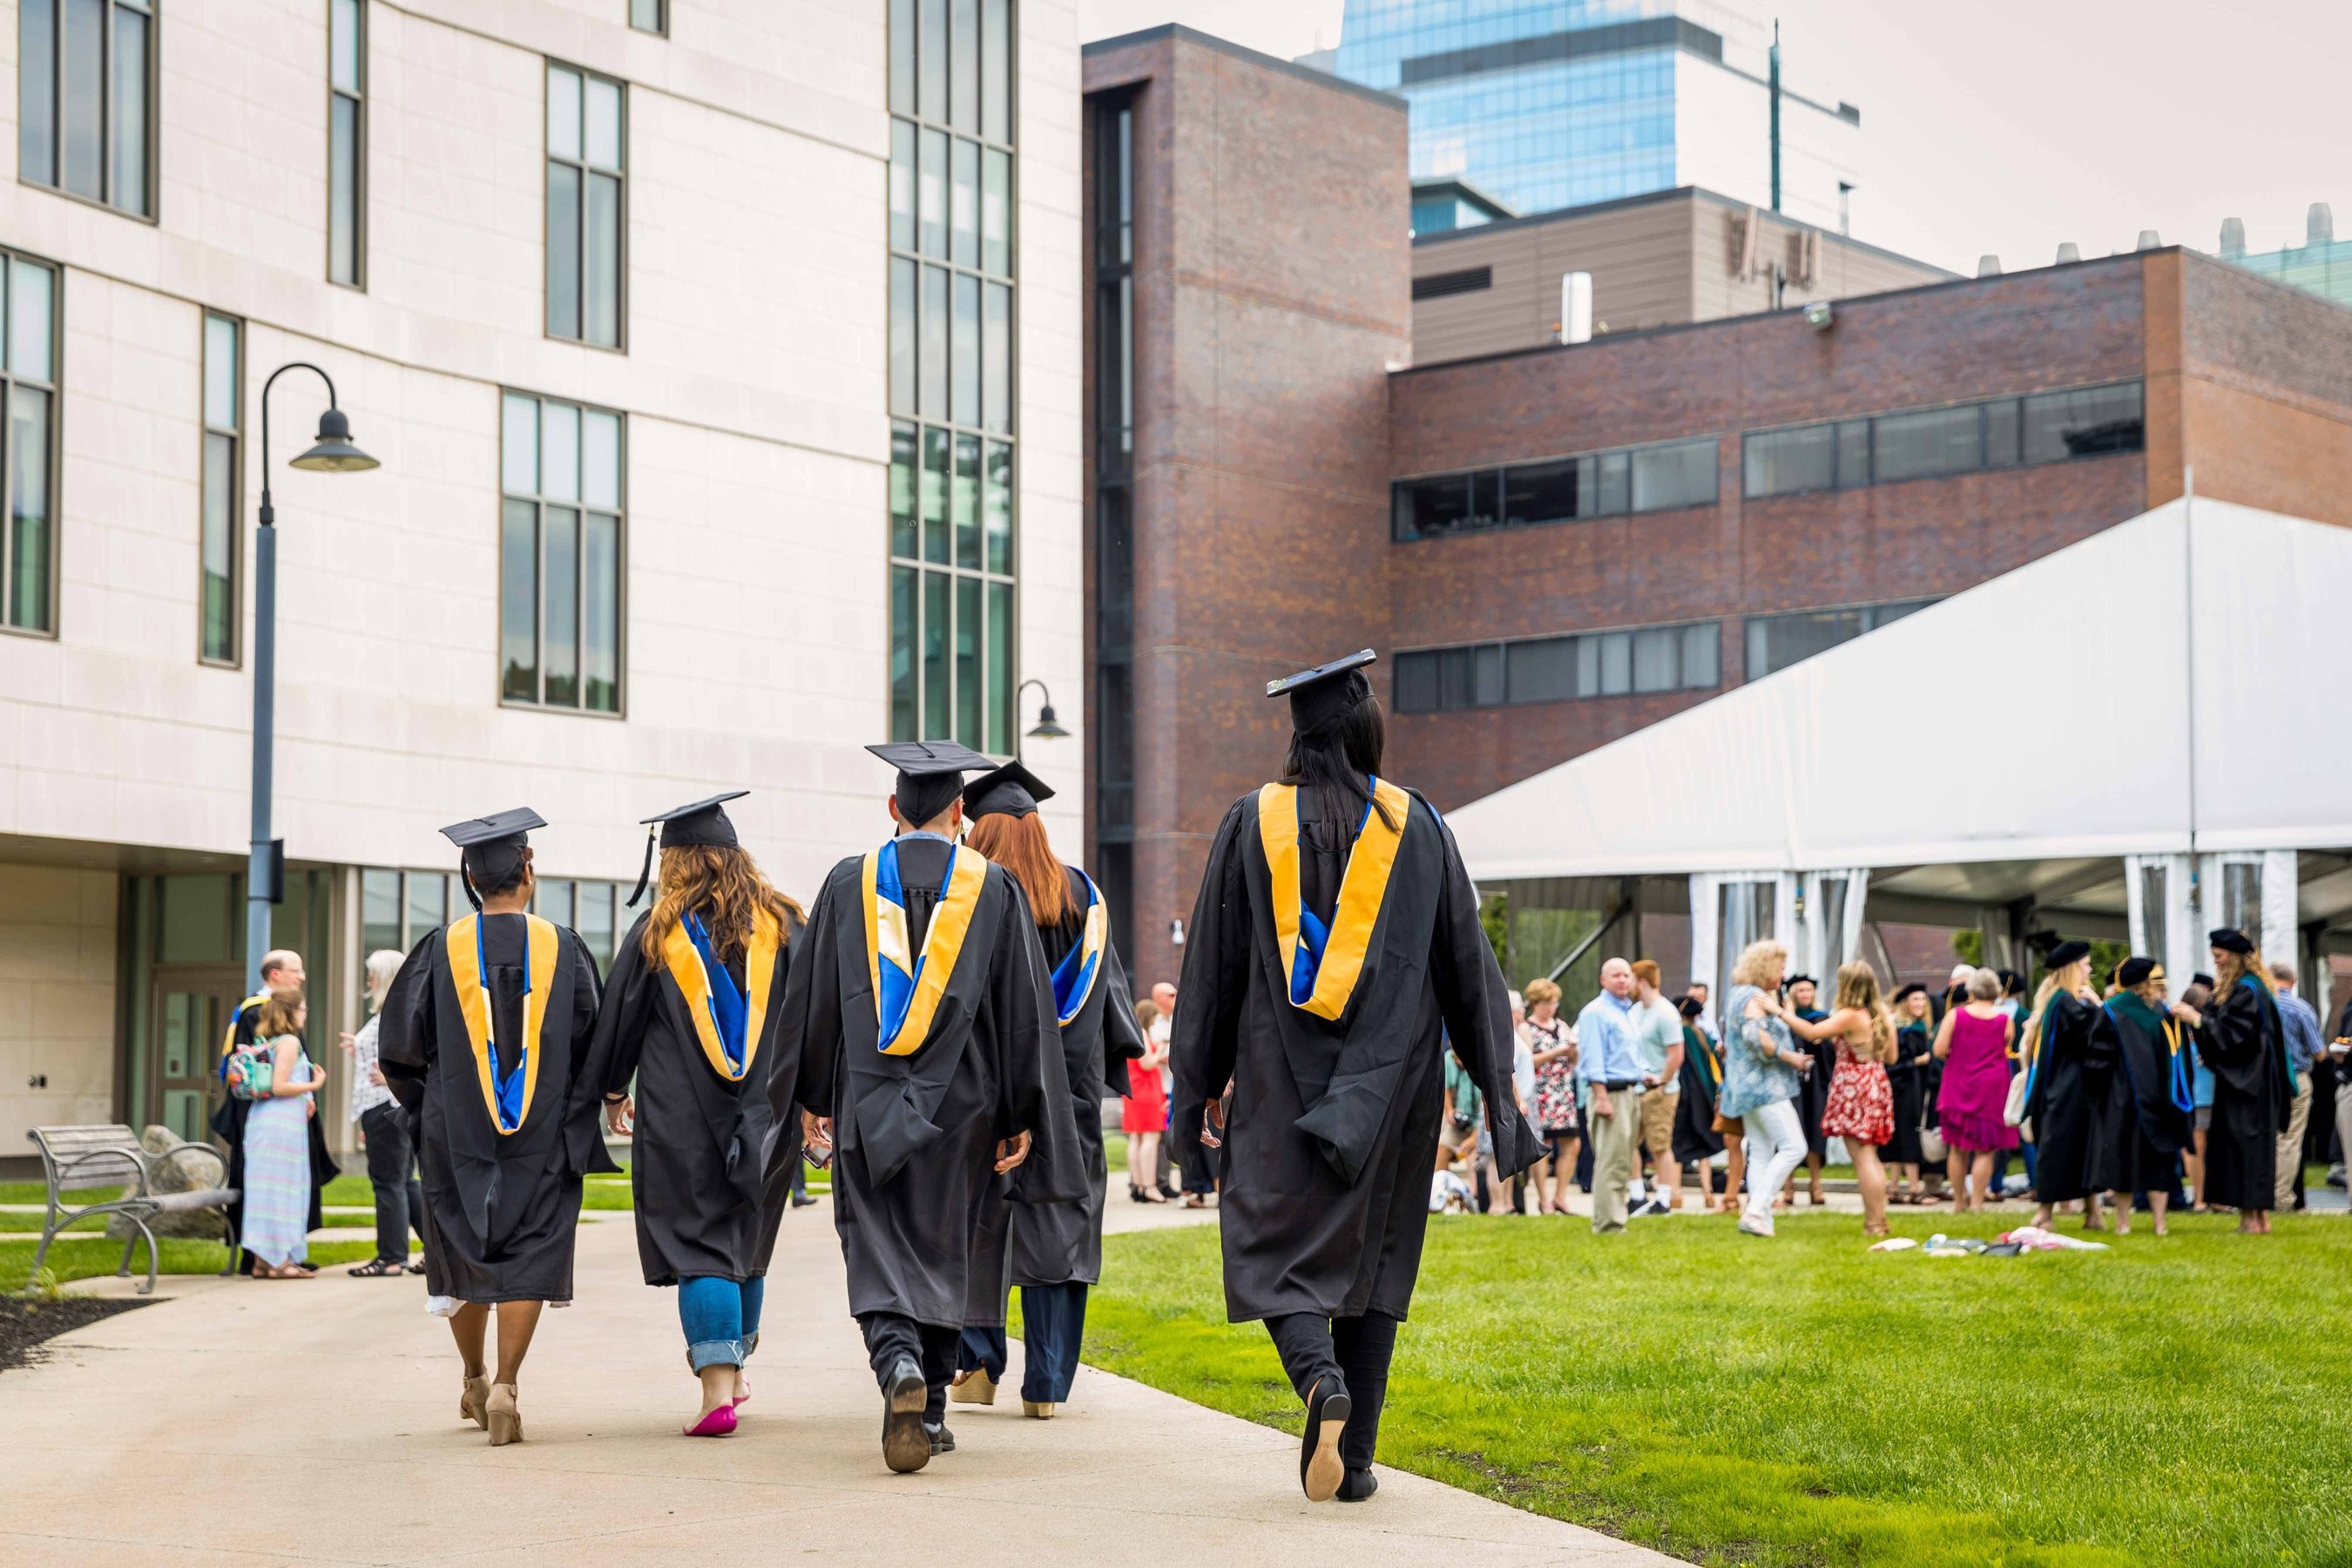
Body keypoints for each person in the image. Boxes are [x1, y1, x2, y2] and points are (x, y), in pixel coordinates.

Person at [1171, 650, 1537, 1504]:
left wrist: (1198, 1094)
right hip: (1396, 1090)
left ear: (1298, 736)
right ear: (1369, 726)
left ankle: (1316, 1381)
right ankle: (1357, 1459)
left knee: (1268, 1246)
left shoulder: (1250, 822)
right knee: (1373, 1261)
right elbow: (1466, 966)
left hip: (1276, 1083)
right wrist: (1498, 1088)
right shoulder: (1421, 826)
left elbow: (1212, 978)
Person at [784, 740, 1081, 1474]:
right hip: (967, 1107)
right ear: (958, 811)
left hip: (868, 1095)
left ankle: (898, 1370)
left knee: (876, 1238)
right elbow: (1021, 1013)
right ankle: (936, 1409)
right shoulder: (997, 889)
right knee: (955, 1245)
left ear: (893, 809)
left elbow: (816, 1001)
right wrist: (1021, 1112)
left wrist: (811, 1097)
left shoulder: (847, 883)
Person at [377, 808, 611, 1448]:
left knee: (463, 1250)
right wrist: (578, 1109)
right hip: (544, 1134)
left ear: (473, 881)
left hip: (456, 1135)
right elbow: (596, 1043)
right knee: (531, 1251)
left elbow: (398, 1048)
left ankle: (474, 1376)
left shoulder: (436, 950)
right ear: (527, 872)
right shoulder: (564, 947)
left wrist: (429, 1110)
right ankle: (508, 1383)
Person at [589, 793, 803, 1438]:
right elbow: (816, 1016)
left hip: (682, 1119)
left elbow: (618, 1022)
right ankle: (734, 1374)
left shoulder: (657, 932)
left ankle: (716, 1390)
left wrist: (610, 1091)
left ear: (675, 862)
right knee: (749, 1242)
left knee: (701, 1246)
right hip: (769, 1110)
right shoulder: (787, 923)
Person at [951, 760, 1146, 1420]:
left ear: (981, 832)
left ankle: (976, 1361)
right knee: (1059, 1225)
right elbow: (1115, 1008)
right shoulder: (1086, 899)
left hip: (988, 1090)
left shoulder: (973, 894)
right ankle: (1048, 1385)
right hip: (1071, 1099)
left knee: (983, 1219)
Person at [212, 948, 325, 1275]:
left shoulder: (266, 1016)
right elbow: (272, 1080)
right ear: (275, 975)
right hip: (268, 1114)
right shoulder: (256, 1012)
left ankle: (269, 1256)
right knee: (272, 1187)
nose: (302, 977)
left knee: (266, 1187)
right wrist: (310, 1088)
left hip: (271, 1114)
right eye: (296, 970)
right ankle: (266, 1257)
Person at [2173, 929, 2291, 1233]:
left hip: (2248, 1086)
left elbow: (2233, 1037)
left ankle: (2251, 1221)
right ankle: (2259, 1219)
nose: (2217, 963)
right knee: (2255, 1149)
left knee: (2245, 1149)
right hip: (2256, 1084)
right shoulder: (2254, 988)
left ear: (2237, 957)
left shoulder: (2246, 991)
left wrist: (2196, 1019)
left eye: (2220, 957)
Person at [1785, 962, 1897, 1236]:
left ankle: (1873, 1224)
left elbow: (1812, 1033)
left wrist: (1782, 1011)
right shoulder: (1882, 1015)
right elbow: (1892, 1057)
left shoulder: (1851, 1015)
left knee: (1863, 1159)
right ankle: (1879, 1220)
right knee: (1871, 1157)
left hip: (1855, 1088)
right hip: (1876, 1083)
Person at [1716, 941, 1813, 1239]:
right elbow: (1758, 1040)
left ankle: (1761, 1221)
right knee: (1795, 1147)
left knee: (1760, 1151)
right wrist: (1793, 1057)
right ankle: (1756, 1211)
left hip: (1744, 1088)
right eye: (1781, 968)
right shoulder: (1754, 997)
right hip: (1765, 1088)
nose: (1784, 975)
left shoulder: (1735, 994)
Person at [2091, 957, 2193, 1235]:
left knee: (2122, 1157)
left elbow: (2096, 1060)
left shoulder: (2110, 1011)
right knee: (2158, 1159)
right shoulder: (2163, 1013)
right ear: (2148, 982)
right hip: (2160, 1099)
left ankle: (2123, 1223)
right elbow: (2179, 1060)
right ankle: (2160, 1223)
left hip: (2120, 1100)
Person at [341, 949, 425, 1278]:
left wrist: (391, 1077)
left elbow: (411, 1056)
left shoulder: (394, 1012)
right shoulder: (394, 1012)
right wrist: (358, 1047)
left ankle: (391, 1258)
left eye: (372, 974)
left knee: (388, 1182)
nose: (367, 980)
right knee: (403, 1181)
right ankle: (435, 1249)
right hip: (385, 1106)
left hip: (386, 1106)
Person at [2021, 941, 2109, 1231]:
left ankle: (2091, 1211)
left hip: (2069, 1088)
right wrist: (2098, 1005)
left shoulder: (2059, 1000)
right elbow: (2093, 1034)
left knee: (2080, 1147)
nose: (2090, 969)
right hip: (2067, 1089)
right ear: (2073, 968)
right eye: (2086, 964)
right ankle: (2046, 1214)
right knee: (2059, 1149)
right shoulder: (2066, 1002)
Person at [240, 991, 327, 1279]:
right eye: (302, 1009)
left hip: (265, 1121)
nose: (305, 1014)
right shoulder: (289, 1043)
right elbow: (279, 1086)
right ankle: (281, 1262)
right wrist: (314, 1084)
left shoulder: (268, 1042)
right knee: (284, 1188)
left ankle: (263, 1262)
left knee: (264, 1189)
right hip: (281, 1126)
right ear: (290, 1012)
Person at [1933, 967, 2018, 1210]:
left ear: (1971, 990)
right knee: (1985, 1150)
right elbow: (2006, 1045)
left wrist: (1957, 1056)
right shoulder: (2005, 1019)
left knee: (1957, 1148)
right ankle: (1978, 1202)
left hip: (1959, 1082)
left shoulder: (1956, 1016)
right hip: (1991, 1086)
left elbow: (1939, 1050)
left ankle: (1959, 1202)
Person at [1576, 958, 1646, 1233]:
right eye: (1615, 975)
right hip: (1610, 1094)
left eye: (1626, 975)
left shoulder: (1627, 1011)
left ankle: (1615, 1217)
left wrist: (1644, 1074)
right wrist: (1601, 1096)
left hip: (1630, 1091)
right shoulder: (1596, 1012)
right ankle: (1608, 1223)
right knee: (1610, 1160)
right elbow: (1592, 1058)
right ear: (1603, 980)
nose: (1622, 980)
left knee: (1623, 1159)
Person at [1628, 960, 1684, 1215]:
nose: (1626, 984)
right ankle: (1637, 1196)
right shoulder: (1635, 1011)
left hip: (1661, 1090)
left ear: (1641, 982)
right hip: (1636, 1088)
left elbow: (1676, 1055)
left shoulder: (1666, 1013)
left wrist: (1662, 1083)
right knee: (1628, 1143)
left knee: (1659, 1145)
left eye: (1629, 978)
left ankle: (1664, 1199)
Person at [1523, 978, 1578, 1215]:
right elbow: (1527, 1060)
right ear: (1535, 1003)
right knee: (1543, 1146)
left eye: (1555, 1002)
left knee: (1572, 1144)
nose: (1552, 1007)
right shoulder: (1527, 1028)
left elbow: (1573, 1060)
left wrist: (1572, 1052)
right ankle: (1543, 1198)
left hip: (1563, 1093)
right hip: (1541, 1094)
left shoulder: (1562, 1025)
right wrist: (1557, 1051)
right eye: (1548, 1002)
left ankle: (1560, 1196)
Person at [2270, 962, 2322, 1212]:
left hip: (2265, 1079)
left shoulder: (2262, 1006)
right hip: (2297, 1077)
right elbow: (2319, 1052)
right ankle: (2282, 1198)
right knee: (2289, 1140)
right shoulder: (2301, 1008)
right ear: (2294, 980)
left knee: (2268, 1138)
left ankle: (2261, 1195)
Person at [1882, 983, 1936, 1204]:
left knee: (1901, 1137)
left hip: (1914, 1087)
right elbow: (1891, 1064)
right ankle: (1914, 1189)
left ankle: (1894, 1189)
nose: (1920, 1004)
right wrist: (1916, 1061)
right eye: (1915, 1000)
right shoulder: (1901, 1029)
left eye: (1923, 1000)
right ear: (1905, 1003)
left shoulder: (1920, 1026)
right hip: (1903, 1089)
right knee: (1909, 1136)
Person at [1671, 996, 1725, 1210]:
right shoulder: (1702, 1035)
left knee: (1676, 1144)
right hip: (1704, 1097)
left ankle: (1676, 1193)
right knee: (1702, 1147)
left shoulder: (1680, 1034)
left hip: (1684, 1095)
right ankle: (1708, 1192)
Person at [1782, 974, 1831, 1207]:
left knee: (1814, 1132)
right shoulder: (1785, 1019)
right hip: (1792, 1084)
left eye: (1808, 991)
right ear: (1793, 994)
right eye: (1800, 991)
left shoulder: (1822, 1019)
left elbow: (1830, 1054)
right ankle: (1788, 1185)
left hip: (1816, 1084)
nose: (1805, 994)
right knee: (1791, 1131)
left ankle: (1816, 1184)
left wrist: (1824, 1044)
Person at [1122, 992, 1172, 1202]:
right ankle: (1149, 1186)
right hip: (1146, 1090)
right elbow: (1147, 1063)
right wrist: (1161, 1047)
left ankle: (1139, 1185)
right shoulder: (1141, 1034)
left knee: (1136, 1138)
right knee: (1151, 1137)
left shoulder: (1128, 1033)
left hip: (1133, 1089)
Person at [2180, 973, 2216, 1209]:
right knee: (2198, 1149)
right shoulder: (2197, 1029)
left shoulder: (2179, 1030)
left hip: (2193, 1093)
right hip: (2203, 1093)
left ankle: (2203, 1197)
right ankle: (2201, 1199)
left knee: (2194, 1149)